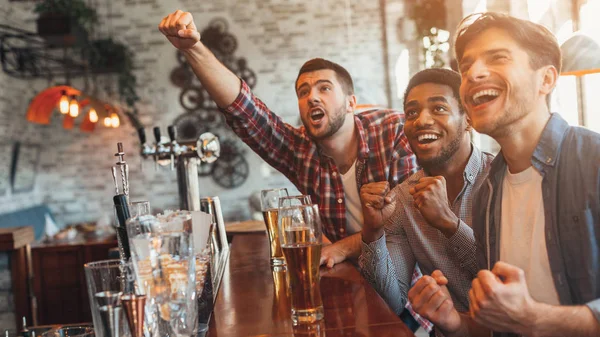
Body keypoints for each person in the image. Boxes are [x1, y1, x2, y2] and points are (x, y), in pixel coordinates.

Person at [408, 12, 600, 337]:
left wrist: (536, 320)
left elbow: (527, 319)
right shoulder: (488, 190)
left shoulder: (592, 160)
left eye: (497, 57)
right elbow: (505, 326)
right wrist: (455, 321)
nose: (474, 74)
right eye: (466, 67)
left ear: (547, 79)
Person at [358, 68, 493, 321]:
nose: (421, 120)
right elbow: (392, 301)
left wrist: (449, 224)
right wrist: (373, 231)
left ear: (469, 118)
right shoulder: (404, 199)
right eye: (412, 112)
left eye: (439, 108)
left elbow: (506, 280)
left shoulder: (499, 181)